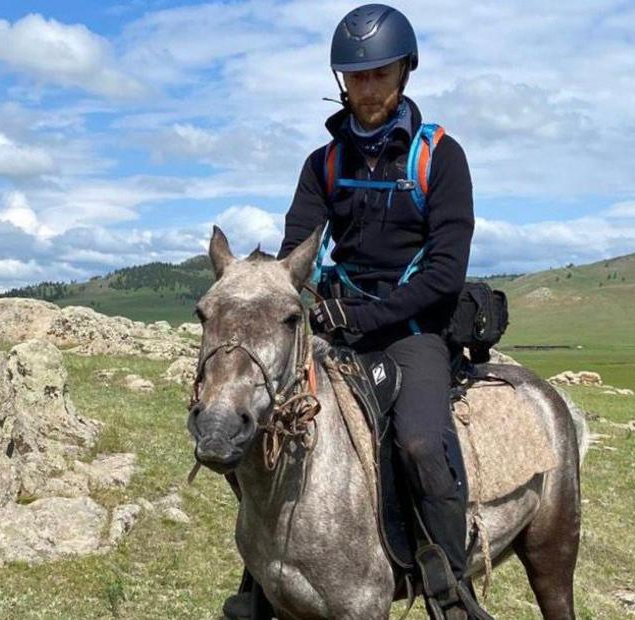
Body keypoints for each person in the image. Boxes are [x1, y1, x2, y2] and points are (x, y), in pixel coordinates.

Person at [223, 4, 491, 619]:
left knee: (421, 441)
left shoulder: (441, 158)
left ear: (405, 72)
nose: (366, 89)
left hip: (414, 330)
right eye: (355, 76)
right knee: (260, 426)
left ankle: (449, 584)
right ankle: (261, 581)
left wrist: (368, 320)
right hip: (336, 324)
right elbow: (300, 253)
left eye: (379, 74)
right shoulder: (323, 165)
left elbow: (446, 272)